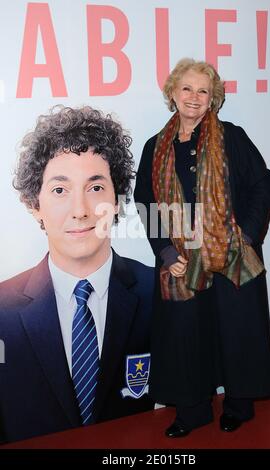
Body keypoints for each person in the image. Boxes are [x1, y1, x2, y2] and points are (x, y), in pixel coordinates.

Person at [134, 59, 270, 438]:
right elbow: (145, 203)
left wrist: (243, 236)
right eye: (187, 89)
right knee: (185, 338)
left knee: (236, 331)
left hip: (232, 257)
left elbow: (263, 185)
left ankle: (238, 405)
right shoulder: (155, 147)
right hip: (182, 260)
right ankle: (193, 410)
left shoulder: (232, 137)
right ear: (172, 94)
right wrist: (166, 253)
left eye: (203, 91)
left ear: (213, 99)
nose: (194, 97)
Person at [0, 106, 154, 444]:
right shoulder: (2, 312)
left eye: (96, 188)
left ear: (117, 199)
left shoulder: (161, 294)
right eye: (59, 190)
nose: (81, 210)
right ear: (33, 203)